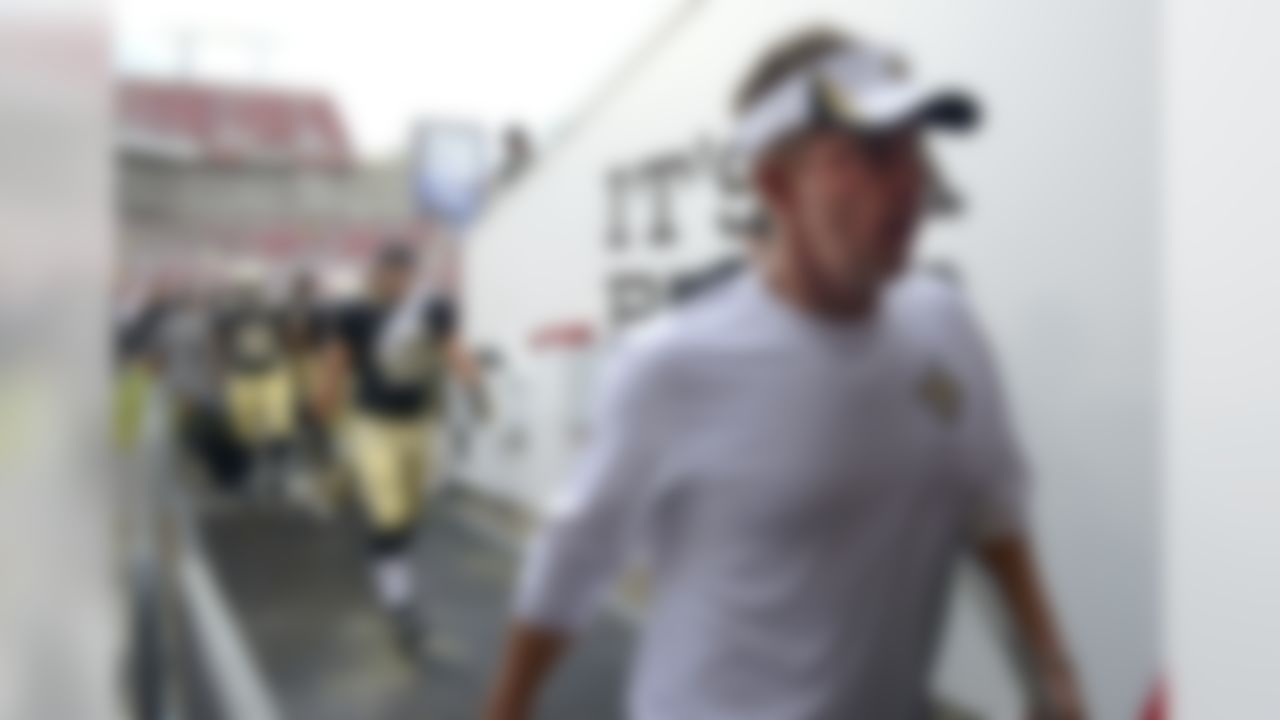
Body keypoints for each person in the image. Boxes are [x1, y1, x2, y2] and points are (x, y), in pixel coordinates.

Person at [485, 27, 1085, 720]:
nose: (913, 177)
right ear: (776, 185)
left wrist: (1052, 675)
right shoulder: (672, 364)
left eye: (915, 147)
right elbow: (576, 557)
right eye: (871, 152)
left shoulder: (946, 328)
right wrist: (507, 706)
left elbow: (993, 505)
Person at [314, 242, 488, 658]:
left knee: (410, 512)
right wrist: (325, 413)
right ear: (376, 272)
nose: (395, 278)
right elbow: (337, 362)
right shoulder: (355, 312)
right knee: (388, 510)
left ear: (412, 273)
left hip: (418, 424)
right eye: (388, 270)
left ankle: (390, 564)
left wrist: (475, 385)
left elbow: (451, 347)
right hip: (373, 424)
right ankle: (398, 598)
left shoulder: (433, 308)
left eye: (402, 270)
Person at [215, 263, 296, 496]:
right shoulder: (229, 312)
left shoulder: (273, 310)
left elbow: (289, 336)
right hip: (242, 374)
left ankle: (279, 472)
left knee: (280, 422)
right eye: (245, 288)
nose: (249, 293)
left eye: (253, 288)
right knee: (243, 428)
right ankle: (246, 474)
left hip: (271, 373)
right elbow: (219, 342)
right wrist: (220, 372)